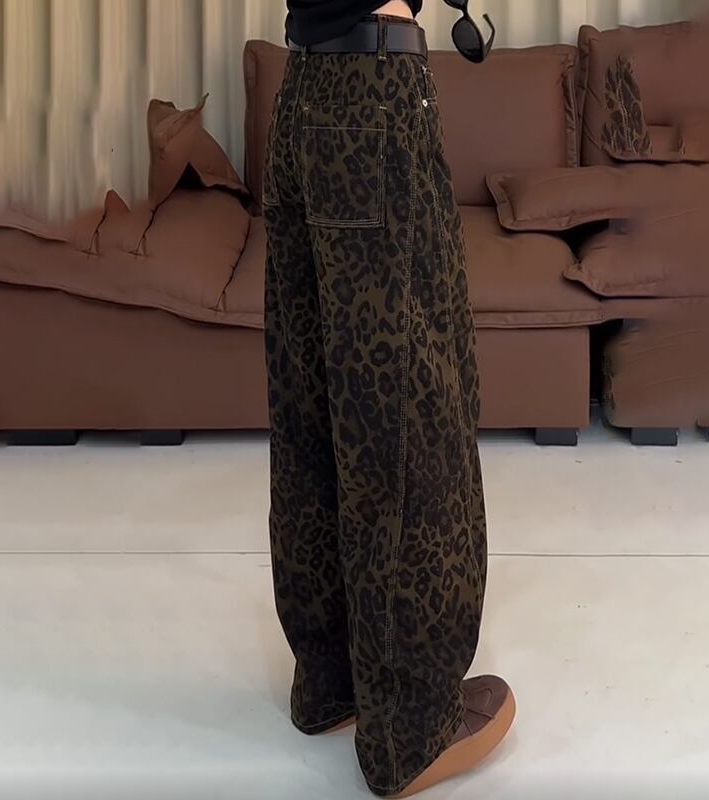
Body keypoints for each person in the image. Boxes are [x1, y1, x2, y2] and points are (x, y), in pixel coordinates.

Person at [262, 1, 515, 795]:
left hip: (304, 96)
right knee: (411, 408)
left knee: (315, 400)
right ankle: (411, 730)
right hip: (374, 92)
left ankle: (331, 680)